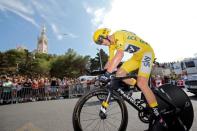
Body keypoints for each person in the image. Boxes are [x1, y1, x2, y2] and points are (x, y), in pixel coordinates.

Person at [93, 28, 167, 131]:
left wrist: (108, 74)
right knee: (119, 73)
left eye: (101, 41)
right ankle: (137, 85)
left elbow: (119, 55)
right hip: (136, 57)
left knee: (142, 83)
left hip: (147, 53)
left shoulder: (118, 35)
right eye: (100, 43)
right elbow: (110, 62)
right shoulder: (111, 45)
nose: (102, 44)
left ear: (106, 35)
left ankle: (160, 119)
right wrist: (101, 74)